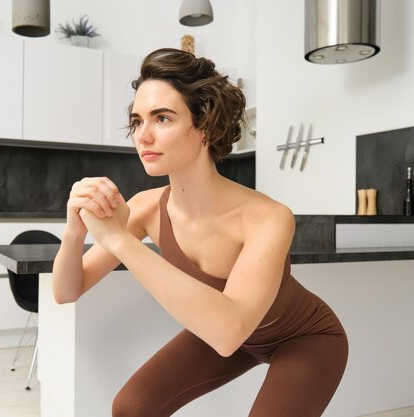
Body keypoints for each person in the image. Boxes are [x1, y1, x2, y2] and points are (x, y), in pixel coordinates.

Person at [52, 48, 348, 417]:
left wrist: (119, 240)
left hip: (303, 338)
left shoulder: (268, 217)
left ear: (206, 124)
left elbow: (228, 331)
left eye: (162, 118)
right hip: (231, 334)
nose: (142, 136)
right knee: (131, 408)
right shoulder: (146, 206)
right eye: (137, 121)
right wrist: (73, 233)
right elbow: (66, 291)